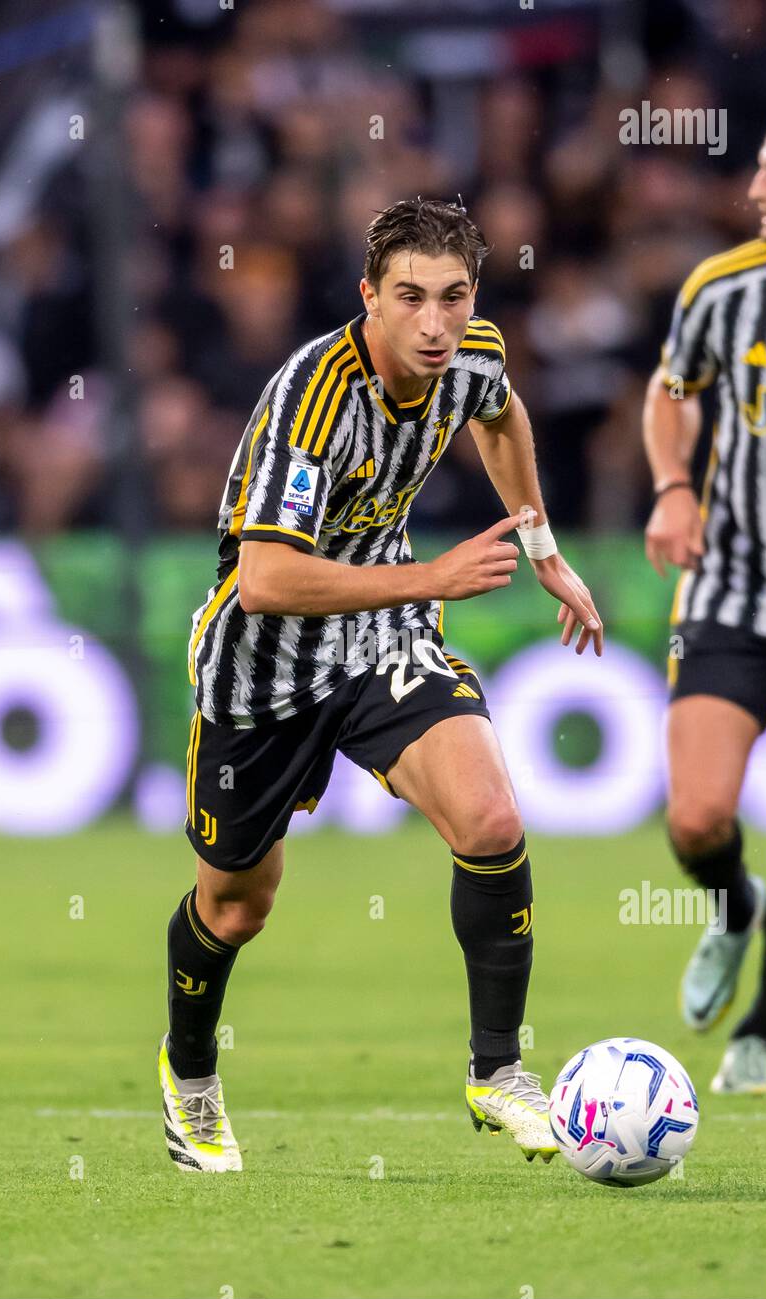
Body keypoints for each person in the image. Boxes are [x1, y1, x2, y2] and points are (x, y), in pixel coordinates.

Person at [159, 197, 604, 1172]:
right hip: (262, 664)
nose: (435, 322)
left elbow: (500, 412)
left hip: (381, 633)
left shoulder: (471, 353)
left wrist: (540, 545)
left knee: (489, 818)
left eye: (452, 296)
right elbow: (268, 581)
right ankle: (190, 1072)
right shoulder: (313, 396)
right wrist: (433, 577)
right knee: (237, 903)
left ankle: (496, 1069)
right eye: (409, 297)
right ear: (369, 296)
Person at [643, 108, 766, 1094]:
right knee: (698, 820)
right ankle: (730, 908)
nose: (756, 186)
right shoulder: (722, 286)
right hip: (736, 587)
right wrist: (672, 488)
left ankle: (760, 1029)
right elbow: (670, 391)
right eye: (758, 165)